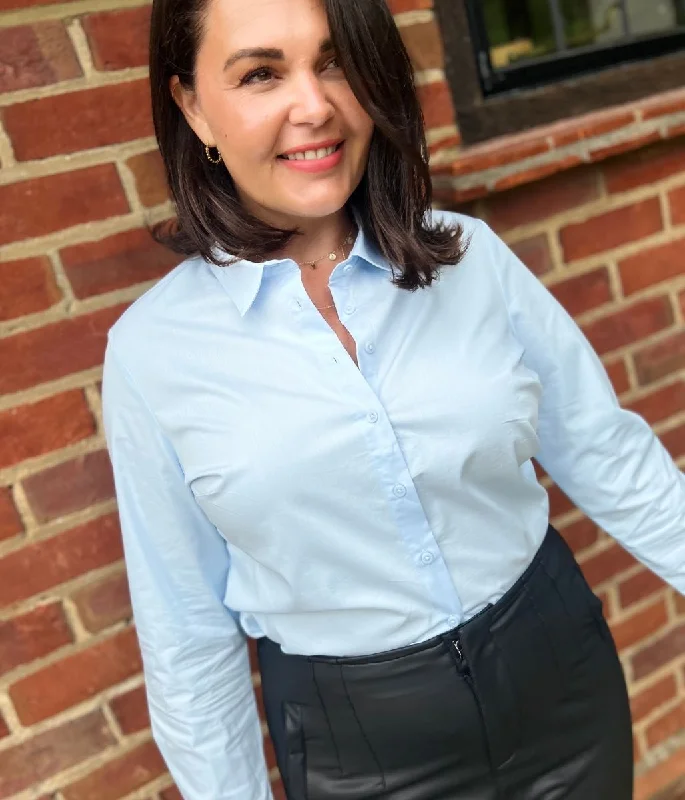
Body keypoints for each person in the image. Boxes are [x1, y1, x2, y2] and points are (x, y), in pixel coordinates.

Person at [101, 0, 685, 797]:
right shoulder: (154, 354)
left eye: (335, 61)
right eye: (261, 73)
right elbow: (185, 629)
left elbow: (604, 450)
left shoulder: (469, 258)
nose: (314, 107)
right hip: (360, 753)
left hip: (560, 680)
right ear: (193, 104)